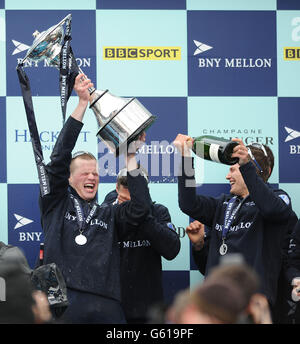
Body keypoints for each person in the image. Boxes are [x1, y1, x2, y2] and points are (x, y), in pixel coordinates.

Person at [38, 74, 152, 324]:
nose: (92, 177)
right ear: (68, 179)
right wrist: (81, 104)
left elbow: (142, 207)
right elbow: (58, 161)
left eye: (96, 173)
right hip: (62, 303)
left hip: (107, 303)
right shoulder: (55, 204)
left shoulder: (109, 212)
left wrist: (130, 157)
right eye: (84, 173)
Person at [173, 134, 294, 320]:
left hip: (252, 302)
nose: (227, 176)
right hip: (216, 303)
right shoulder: (223, 204)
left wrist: (246, 165)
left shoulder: (278, 198)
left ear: (251, 170)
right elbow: (188, 204)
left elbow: (272, 210)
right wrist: (185, 160)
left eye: (233, 169)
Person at [102, 167, 181, 323]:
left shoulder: (158, 212)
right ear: (117, 188)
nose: (130, 208)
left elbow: (172, 250)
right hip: (112, 306)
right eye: (125, 201)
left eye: (134, 200)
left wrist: (142, 214)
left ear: (145, 191)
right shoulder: (105, 213)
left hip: (148, 310)